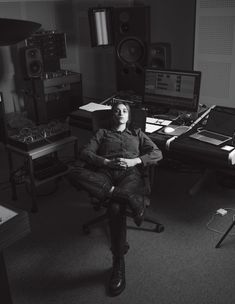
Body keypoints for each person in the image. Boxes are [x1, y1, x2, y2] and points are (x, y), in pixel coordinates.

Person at [67, 102, 162, 296]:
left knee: (115, 209)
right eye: (117, 111)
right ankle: (129, 198)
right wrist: (106, 162)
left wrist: (134, 161)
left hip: (129, 174)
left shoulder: (137, 133)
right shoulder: (102, 133)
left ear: (129, 116)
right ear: (112, 116)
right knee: (74, 172)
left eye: (124, 111)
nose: (120, 113)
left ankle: (118, 260)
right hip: (105, 174)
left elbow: (157, 153)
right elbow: (85, 152)